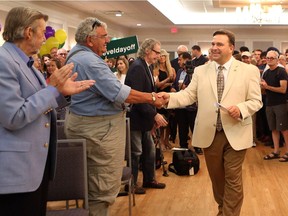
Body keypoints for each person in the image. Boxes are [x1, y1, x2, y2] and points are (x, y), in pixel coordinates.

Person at [64, 17, 166, 216]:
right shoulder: (89, 61)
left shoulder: (78, 56)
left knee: (95, 185)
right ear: (90, 39)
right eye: (103, 36)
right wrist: (153, 98)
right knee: (100, 190)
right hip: (98, 132)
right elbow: (121, 93)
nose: (108, 40)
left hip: (93, 128)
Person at [0, 7, 95, 216]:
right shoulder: (4, 61)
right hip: (16, 174)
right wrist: (53, 88)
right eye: (43, 33)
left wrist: (60, 93)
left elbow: (40, 102)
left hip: (33, 168)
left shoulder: (27, 63)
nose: (45, 39)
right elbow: (13, 116)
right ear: (28, 32)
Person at [158, 29, 262, 216]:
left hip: (236, 131)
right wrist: (169, 98)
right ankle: (223, 208)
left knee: (233, 177)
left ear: (231, 48)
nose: (214, 47)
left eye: (219, 44)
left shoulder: (249, 70)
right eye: (213, 44)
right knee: (217, 178)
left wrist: (241, 109)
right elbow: (189, 95)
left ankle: (228, 213)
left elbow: (256, 101)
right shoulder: (200, 70)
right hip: (209, 133)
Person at [125, 39, 168, 195]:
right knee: (135, 154)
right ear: (148, 51)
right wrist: (154, 115)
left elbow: (148, 95)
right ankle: (132, 184)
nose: (159, 55)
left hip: (145, 118)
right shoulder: (137, 67)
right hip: (136, 119)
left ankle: (149, 179)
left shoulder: (147, 66)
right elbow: (137, 98)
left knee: (149, 151)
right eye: (157, 52)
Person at [261, 50, 288, 161]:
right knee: (273, 129)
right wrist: (262, 87)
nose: (269, 60)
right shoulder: (266, 73)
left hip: (280, 104)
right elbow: (264, 91)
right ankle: (276, 151)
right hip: (269, 104)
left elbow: (283, 89)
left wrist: (267, 87)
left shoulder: (281, 71)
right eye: (268, 58)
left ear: (277, 59)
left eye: (272, 58)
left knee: (284, 129)